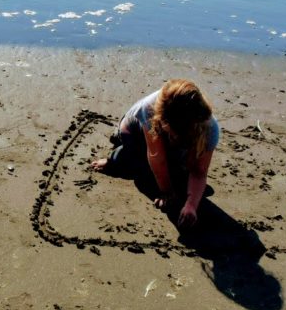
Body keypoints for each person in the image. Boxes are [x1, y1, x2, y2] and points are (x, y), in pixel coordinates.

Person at [91, 79, 219, 229]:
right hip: (133, 131)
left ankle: (173, 158)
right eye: (172, 134)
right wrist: (166, 192)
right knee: (139, 168)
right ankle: (115, 159)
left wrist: (191, 204)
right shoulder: (150, 109)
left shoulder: (209, 128)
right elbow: (157, 157)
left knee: (184, 176)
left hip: (171, 141)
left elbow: (199, 171)